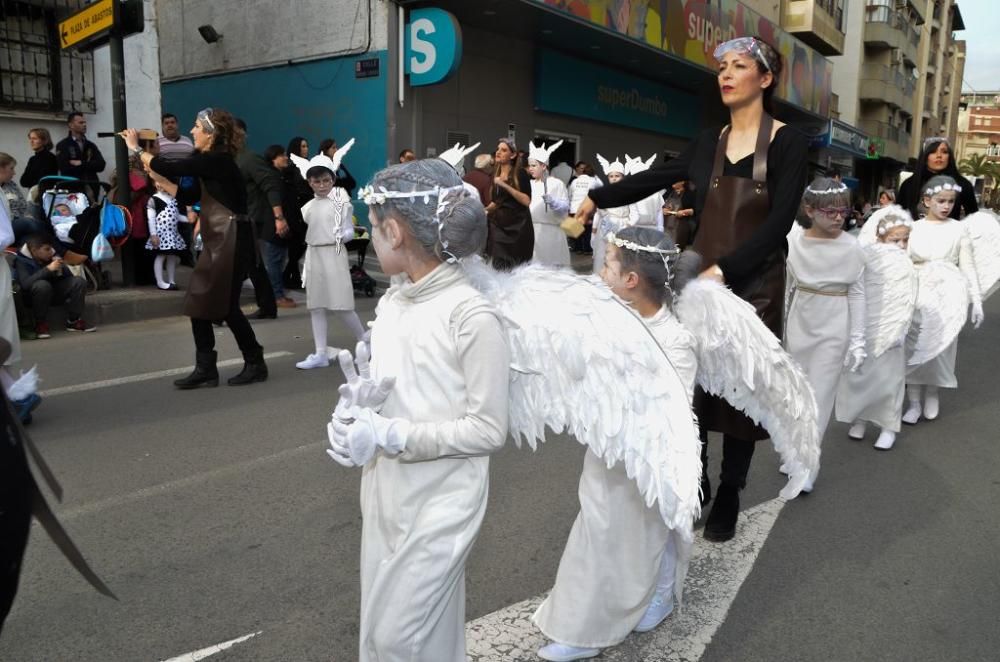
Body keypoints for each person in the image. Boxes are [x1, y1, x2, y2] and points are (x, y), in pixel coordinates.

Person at [577, 36, 808, 542]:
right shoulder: (709, 140)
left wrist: (726, 271)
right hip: (699, 279)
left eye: (739, 66)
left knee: (744, 393)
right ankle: (699, 478)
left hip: (755, 282)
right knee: (696, 385)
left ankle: (731, 490)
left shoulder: (789, 142)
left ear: (765, 79)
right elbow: (657, 177)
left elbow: (779, 222)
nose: (725, 75)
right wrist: (596, 196)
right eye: (721, 67)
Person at [327, 158, 509, 661]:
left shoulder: (470, 313)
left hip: (443, 500)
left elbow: (489, 428)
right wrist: (354, 419)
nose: (368, 239)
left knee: (397, 638)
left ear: (393, 230)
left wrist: (391, 436)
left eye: (372, 229)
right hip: (387, 492)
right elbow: (386, 390)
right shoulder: (393, 303)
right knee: (403, 632)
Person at [533, 226, 696, 662]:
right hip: (607, 453)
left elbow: (666, 413)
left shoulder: (674, 341)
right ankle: (583, 627)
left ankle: (655, 595)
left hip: (644, 459)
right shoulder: (610, 316)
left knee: (644, 531)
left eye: (607, 263)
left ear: (631, 281)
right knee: (601, 532)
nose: (598, 270)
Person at [122, 108, 269, 388]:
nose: (192, 131)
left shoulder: (219, 160)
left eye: (197, 127)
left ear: (211, 134)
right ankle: (206, 369)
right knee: (198, 303)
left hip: (232, 238)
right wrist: (161, 181)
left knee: (225, 306)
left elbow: (172, 167)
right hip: (219, 237)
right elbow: (189, 194)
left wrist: (136, 148)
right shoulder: (207, 161)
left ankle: (255, 362)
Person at [784, 179, 866, 490]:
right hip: (800, 319)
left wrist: (857, 340)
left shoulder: (853, 247)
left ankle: (808, 463)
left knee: (820, 394)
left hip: (835, 322)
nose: (838, 217)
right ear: (809, 209)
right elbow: (788, 287)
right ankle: (794, 450)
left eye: (843, 211)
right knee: (797, 391)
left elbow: (858, 294)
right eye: (830, 211)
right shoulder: (794, 240)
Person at [902, 175, 984, 423]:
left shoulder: (959, 229)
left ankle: (933, 393)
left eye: (951, 201)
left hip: (948, 296)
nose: (946, 206)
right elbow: (900, 263)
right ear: (927, 200)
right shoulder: (913, 228)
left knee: (941, 348)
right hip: (918, 295)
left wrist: (976, 300)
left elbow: (968, 266)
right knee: (914, 347)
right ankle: (914, 402)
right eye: (941, 200)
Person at [835, 209, 916, 451]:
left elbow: (910, 298)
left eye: (905, 240)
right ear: (880, 238)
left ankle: (888, 425)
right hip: (866, 321)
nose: (900, 245)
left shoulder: (907, 264)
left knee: (889, 377)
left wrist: (901, 328)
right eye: (895, 240)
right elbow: (855, 289)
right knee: (859, 372)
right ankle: (859, 417)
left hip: (892, 325)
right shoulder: (866, 256)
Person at [292, 150, 369, 370]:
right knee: (316, 306)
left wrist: (342, 235)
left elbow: (349, 231)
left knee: (342, 304)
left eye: (327, 180)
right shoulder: (307, 207)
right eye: (317, 181)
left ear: (333, 179)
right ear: (309, 182)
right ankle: (320, 353)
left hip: (334, 254)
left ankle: (364, 339)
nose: (322, 185)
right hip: (314, 254)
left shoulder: (341, 202)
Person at [234, 119, 290, 314]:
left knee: (245, 265)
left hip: (252, 219)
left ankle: (226, 309)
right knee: (251, 265)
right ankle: (267, 305)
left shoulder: (249, 159)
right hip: (239, 219)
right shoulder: (230, 158)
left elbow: (270, 186)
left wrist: (279, 218)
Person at [15, 235, 96, 337]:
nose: (51, 251)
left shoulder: (51, 257)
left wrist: (62, 268)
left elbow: (69, 278)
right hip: (34, 297)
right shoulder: (21, 260)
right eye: (47, 249)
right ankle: (40, 324)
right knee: (42, 285)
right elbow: (25, 284)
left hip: (54, 292)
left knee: (79, 282)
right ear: (34, 250)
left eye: (51, 248)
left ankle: (74, 320)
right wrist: (47, 269)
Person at [897, 137, 978, 220]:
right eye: (933, 152)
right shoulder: (909, 185)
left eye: (944, 152)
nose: (939, 156)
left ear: (949, 157)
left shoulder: (963, 185)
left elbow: (973, 219)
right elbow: (898, 216)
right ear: (925, 157)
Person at [485, 138, 533, 270]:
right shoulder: (496, 173)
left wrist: (504, 185)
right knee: (497, 263)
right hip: (499, 225)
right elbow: (497, 202)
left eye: (504, 150)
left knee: (515, 267)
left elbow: (526, 200)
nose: (498, 152)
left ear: (513, 155)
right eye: (498, 149)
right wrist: (484, 210)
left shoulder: (520, 173)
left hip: (518, 227)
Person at [526, 140, 571, 267]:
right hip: (532, 231)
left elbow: (565, 207)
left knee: (551, 267)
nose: (530, 168)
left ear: (544, 166)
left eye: (534, 165)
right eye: (529, 165)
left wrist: (554, 202)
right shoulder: (529, 184)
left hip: (551, 232)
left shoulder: (556, 183)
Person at [274, 141, 312, 290]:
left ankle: (290, 275)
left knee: (300, 245)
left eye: (306, 146)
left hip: (305, 209)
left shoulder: (307, 165)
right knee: (296, 245)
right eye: (302, 146)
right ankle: (290, 276)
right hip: (294, 211)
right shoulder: (290, 168)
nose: (306, 149)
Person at [591, 154, 634, 274]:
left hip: (622, 226)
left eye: (617, 176)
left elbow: (634, 213)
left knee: (617, 255)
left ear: (623, 177)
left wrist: (627, 226)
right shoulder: (603, 193)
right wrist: (593, 232)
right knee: (602, 252)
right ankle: (601, 277)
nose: (614, 178)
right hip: (605, 225)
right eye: (611, 176)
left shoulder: (628, 193)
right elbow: (598, 213)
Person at [146, 179, 188, 290]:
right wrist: (153, 234)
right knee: (161, 256)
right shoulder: (153, 199)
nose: (160, 184)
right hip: (161, 234)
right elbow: (151, 218)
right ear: (154, 183)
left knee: (172, 256)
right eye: (157, 182)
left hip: (172, 234)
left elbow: (176, 216)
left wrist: (188, 219)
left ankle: (171, 280)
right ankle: (160, 281)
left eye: (163, 182)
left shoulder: (173, 199)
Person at [0, 153, 45, 244]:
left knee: (28, 241)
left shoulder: (11, 184)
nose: (14, 173)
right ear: (1, 169)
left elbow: (23, 204)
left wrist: (26, 216)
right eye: (11, 168)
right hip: (6, 227)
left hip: (16, 224)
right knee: (28, 223)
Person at [55, 112, 106, 191]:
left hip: (91, 187)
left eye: (85, 122)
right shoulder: (63, 145)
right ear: (71, 125)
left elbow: (101, 165)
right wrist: (89, 165)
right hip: (72, 188)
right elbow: (64, 168)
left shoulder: (90, 145)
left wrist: (81, 163)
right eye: (81, 123)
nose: (84, 125)